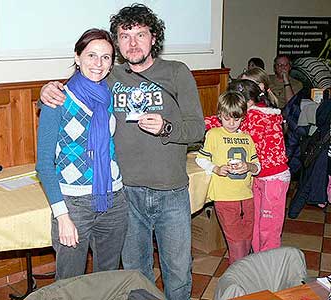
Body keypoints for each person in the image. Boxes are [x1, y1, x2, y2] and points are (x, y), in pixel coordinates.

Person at [39, 4, 205, 300]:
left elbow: (197, 130)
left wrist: (166, 127)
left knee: (178, 272)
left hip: (171, 191)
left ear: (154, 38)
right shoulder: (108, 76)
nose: (133, 43)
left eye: (140, 35)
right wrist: (47, 89)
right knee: (133, 275)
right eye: (125, 36)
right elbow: (77, 84)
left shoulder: (177, 72)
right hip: (126, 194)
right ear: (117, 42)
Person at [36, 29, 128, 280]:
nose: (98, 64)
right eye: (91, 55)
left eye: (106, 57)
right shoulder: (57, 99)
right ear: (77, 57)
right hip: (73, 205)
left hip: (113, 199)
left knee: (106, 279)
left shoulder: (109, 96)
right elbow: (43, 164)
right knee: (69, 283)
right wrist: (62, 216)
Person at [206, 79, 290, 253]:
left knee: (269, 227)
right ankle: (256, 263)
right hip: (258, 176)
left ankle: (268, 266)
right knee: (258, 224)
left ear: (247, 102)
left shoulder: (259, 116)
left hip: (274, 178)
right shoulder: (255, 114)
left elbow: (216, 123)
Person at [196, 91, 260, 264]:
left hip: (247, 196)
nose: (231, 123)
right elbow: (200, 159)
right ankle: (237, 277)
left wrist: (248, 166)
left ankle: (243, 270)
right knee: (236, 242)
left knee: (247, 239)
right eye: (227, 118)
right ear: (219, 116)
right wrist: (215, 169)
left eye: (236, 119)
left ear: (243, 118)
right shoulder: (213, 135)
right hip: (225, 197)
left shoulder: (247, 138)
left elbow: (257, 167)